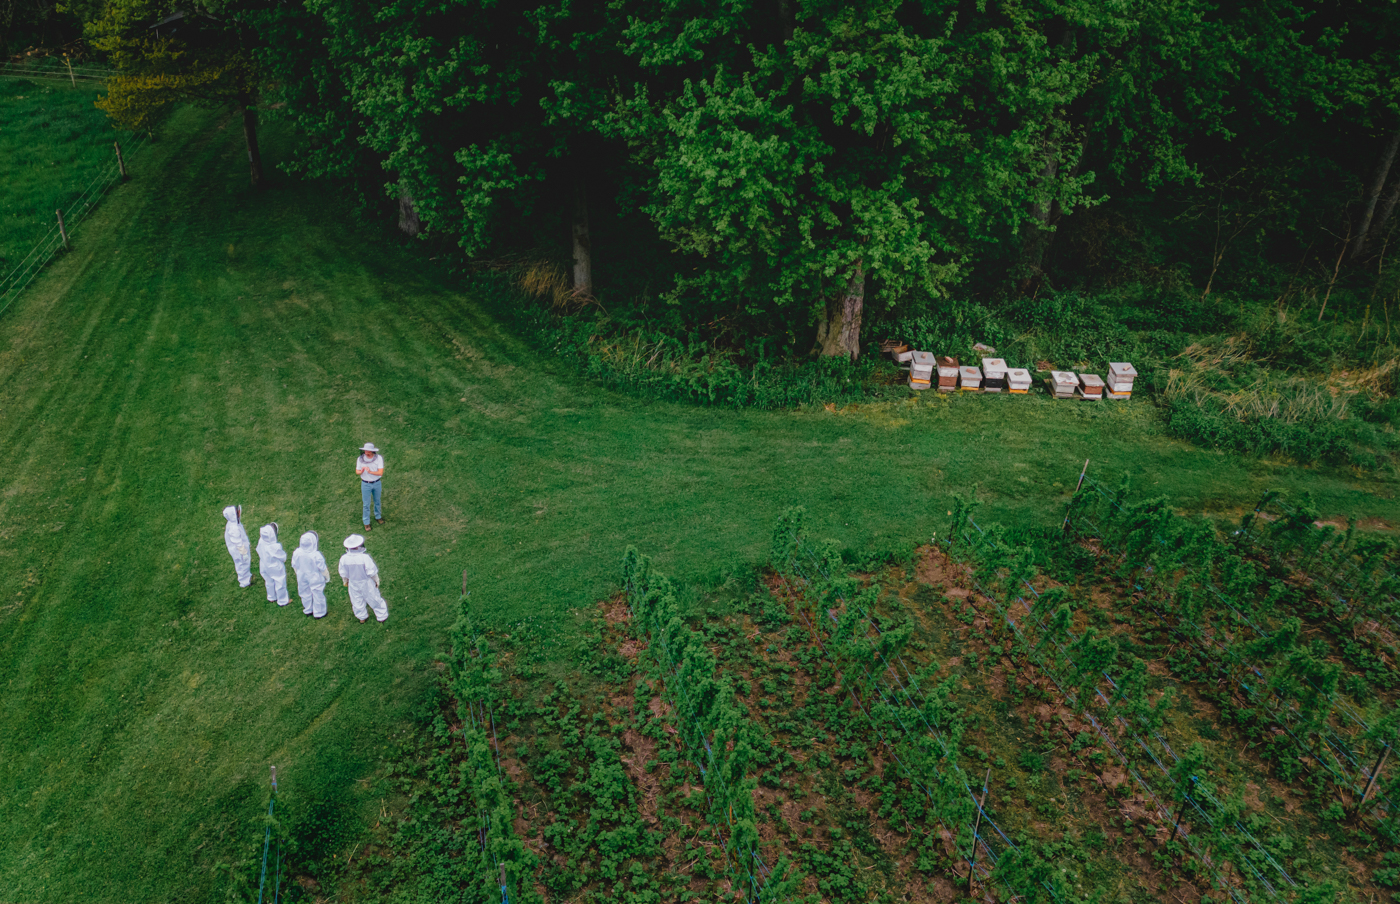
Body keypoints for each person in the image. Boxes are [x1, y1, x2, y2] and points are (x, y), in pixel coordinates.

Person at [338, 534, 389, 623]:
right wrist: (376, 580)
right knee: (374, 598)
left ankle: (362, 617)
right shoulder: (364, 557)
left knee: (356, 600)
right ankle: (382, 616)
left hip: (353, 583)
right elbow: (371, 571)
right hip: (366, 582)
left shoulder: (344, 558)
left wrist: (345, 581)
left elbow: (343, 573)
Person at [291, 531, 331, 618]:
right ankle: (319, 612)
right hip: (315, 577)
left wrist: (297, 573)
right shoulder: (316, 555)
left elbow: (294, 565)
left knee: (304, 592)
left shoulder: (297, 552)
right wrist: (327, 577)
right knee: (317, 593)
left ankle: (308, 609)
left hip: (301, 575)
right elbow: (323, 568)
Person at [257, 523, 291, 606]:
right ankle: (282, 600)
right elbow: (282, 556)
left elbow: (258, 550)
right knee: (280, 582)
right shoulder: (275, 546)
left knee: (268, 581)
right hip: (275, 567)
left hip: (264, 564)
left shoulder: (261, 541)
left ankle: (271, 597)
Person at [355, 442, 385, 531]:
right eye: (365, 451)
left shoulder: (379, 458)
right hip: (365, 484)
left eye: (368, 451)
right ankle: (366, 523)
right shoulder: (360, 459)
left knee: (377, 501)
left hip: (376, 483)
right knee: (366, 504)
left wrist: (370, 471)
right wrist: (362, 471)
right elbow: (357, 471)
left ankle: (378, 516)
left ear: (372, 451)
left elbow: (380, 472)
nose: (366, 453)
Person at [222, 505, 252, 588]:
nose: (239, 512)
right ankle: (244, 582)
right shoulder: (233, 528)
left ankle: (247, 577)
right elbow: (237, 542)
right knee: (242, 564)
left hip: (239, 549)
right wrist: (244, 552)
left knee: (243, 564)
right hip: (239, 550)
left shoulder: (233, 523)